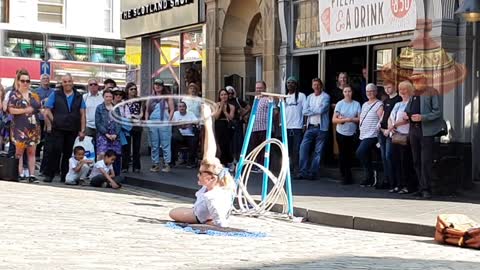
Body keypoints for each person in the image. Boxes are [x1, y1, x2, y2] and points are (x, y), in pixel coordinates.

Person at [169, 104, 234, 227]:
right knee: (208, 156)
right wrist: (207, 121)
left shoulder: (212, 196)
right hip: (204, 209)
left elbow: (222, 224)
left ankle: (205, 219)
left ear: (211, 178)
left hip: (200, 216)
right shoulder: (219, 183)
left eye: (200, 173)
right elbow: (209, 151)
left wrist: (202, 225)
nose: (198, 175)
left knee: (173, 213)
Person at [405, 74, 444, 199]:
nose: (415, 83)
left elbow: (437, 112)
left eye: (417, 81)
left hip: (426, 131)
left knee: (425, 160)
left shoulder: (432, 92)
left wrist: (423, 117)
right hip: (413, 130)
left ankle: (427, 189)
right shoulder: (413, 94)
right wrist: (406, 114)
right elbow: (408, 108)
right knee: (416, 160)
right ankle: (421, 187)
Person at [44, 73, 86, 183]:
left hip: (72, 129)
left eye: (69, 81)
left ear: (72, 82)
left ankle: (64, 176)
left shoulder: (79, 96)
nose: (67, 84)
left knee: (68, 153)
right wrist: (55, 121)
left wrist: (82, 130)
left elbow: (83, 114)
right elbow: (47, 109)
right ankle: (50, 174)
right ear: (62, 83)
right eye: (65, 82)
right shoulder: (56, 94)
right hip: (57, 129)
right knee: (55, 151)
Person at [7, 69, 41, 183]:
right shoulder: (14, 94)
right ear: (18, 81)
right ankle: (19, 173)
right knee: (19, 152)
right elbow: (11, 109)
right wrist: (25, 110)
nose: (25, 83)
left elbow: (39, 107)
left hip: (33, 127)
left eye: (27, 81)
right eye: (23, 80)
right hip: (19, 127)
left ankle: (31, 175)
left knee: (32, 152)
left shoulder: (34, 95)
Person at [297, 78, 330, 180]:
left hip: (321, 128)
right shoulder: (310, 97)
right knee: (303, 148)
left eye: (318, 85)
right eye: (314, 85)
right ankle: (303, 172)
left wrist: (311, 110)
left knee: (317, 152)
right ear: (312, 86)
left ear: (321, 86)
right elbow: (304, 111)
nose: (316, 87)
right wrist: (314, 110)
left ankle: (313, 173)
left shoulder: (326, 97)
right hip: (310, 127)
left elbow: (322, 110)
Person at [389, 80, 417, 194]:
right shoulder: (398, 104)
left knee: (406, 162)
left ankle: (408, 185)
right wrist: (391, 125)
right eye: (400, 89)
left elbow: (407, 119)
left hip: (406, 136)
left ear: (409, 90)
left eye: (404, 89)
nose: (402, 91)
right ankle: (399, 184)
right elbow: (391, 116)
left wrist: (395, 124)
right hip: (396, 135)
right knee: (396, 161)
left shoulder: (411, 103)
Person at [356, 83, 384, 187]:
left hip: (373, 134)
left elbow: (381, 119)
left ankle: (372, 174)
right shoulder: (364, 104)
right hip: (363, 134)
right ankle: (369, 178)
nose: (370, 93)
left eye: (372, 91)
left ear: (376, 92)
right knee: (366, 155)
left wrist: (378, 130)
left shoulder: (379, 104)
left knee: (360, 152)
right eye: (368, 91)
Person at [332, 85, 361, 185]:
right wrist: (344, 120)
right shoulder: (340, 104)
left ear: (352, 92)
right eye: (345, 91)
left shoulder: (356, 104)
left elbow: (360, 119)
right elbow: (334, 119)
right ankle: (344, 176)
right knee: (342, 154)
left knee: (350, 154)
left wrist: (351, 119)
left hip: (352, 132)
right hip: (341, 132)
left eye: (349, 91)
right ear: (343, 93)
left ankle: (348, 175)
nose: (347, 93)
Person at [146, 79, 174, 173]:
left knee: (166, 144)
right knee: (154, 144)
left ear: (163, 86)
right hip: (153, 123)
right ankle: (155, 164)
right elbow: (147, 110)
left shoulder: (167, 97)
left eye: (159, 85)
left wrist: (169, 121)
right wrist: (147, 121)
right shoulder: (150, 98)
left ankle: (167, 163)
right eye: (156, 84)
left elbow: (172, 109)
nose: (157, 86)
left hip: (164, 122)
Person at [377, 81, 402, 189]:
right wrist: (379, 124)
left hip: (391, 132)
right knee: (384, 157)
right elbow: (383, 114)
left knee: (389, 156)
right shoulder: (386, 100)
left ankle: (394, 181)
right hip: (382, 130)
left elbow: (396, 117)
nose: (387, 89)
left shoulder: (398, 99)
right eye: (385, 88)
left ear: (394, 87)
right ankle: (387, 180)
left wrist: (389, 129)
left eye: (389, 87)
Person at [284, 76, 306, 176]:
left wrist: (304, 124)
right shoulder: (284, 97)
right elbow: (280, 112)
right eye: (288, 83)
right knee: (286, 149)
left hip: (297, 127)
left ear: (296, 85)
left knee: (296, 149)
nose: (290, 84)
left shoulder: (301, 96)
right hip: (286, 127)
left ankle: (297, 169)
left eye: (292, 82)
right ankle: (287, 169)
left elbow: (305, 111)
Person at [248, 81, 270, 173]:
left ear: (264, 88)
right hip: (255, 127)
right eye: (257, 88)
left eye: (260, 88)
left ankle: (263, 166)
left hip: (264, 127)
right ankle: (256, 165)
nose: (258, 89)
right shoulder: (256, 99)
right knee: (255, 147)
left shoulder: (268, 99)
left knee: (263, 148)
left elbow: (275, 112)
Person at [95, 90, 121, 166]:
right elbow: (98, 123)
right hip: (103, 135)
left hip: (114, 136)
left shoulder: (116, 108)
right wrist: (106, 134)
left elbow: (119, 122)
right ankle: (100, 174)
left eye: (110, 96)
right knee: (102, 155)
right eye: (106, 96)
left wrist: (116, 134)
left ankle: (112, 174)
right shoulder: (99, 108)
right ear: (103, 97)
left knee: (114, 157)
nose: (108, 98)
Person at [227, 85, 250, 164]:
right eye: (228, 93)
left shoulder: (237, 100)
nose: (230, 95)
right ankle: (231, 159)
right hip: (227, 124)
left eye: (231, 93)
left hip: (237, 123)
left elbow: (248, 107)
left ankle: (238, 159)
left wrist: (242, 114)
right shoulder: (225, 101)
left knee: (238, 142)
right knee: (230, 143)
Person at [123, 82, 143, 173]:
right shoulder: (124, 100)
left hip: (137, 124)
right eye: (131, 89)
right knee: (126, 147)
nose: (133, 91)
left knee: (137, 147)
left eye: (135, 89)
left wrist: (138, 117)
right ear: (127, 90)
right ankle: (125, 166)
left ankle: (136, 167)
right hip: (127, 125)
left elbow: (141, 111)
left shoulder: (139, 100)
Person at [33, 74, 54, 159]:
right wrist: (43, 101)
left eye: (47, 78)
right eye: (44, 78)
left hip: (50, 118)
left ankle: (46, 155)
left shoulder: (53, 92)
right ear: (40, 80)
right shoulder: (36, 91)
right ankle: (36, 154)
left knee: (47, 137)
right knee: (38, 136)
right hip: (39, 117)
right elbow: (33, 104)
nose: (46, 80)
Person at [172, 101, 198, 168]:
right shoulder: (175, 114)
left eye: (183, 106)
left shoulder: (191, 113)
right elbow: (172, 123)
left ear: (186, 107)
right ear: (178, 108)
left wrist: (188, 124)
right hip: (179, 135)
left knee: (194, 141)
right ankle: (172, 161)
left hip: (189, 135)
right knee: (172, 139)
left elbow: (196, 121)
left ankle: (191, 162)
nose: (181, 108)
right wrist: (179, 125)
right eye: (180, 107)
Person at [213, 89, 235, 167]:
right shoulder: (216, 105)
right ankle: (223, 162)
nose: (223, 96)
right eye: (222, 95)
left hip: (227, 125)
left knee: (227, 144)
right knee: (220, 144)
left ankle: (229, 161)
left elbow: (231, 118)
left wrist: (225, 111)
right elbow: (216, 116)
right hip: (219, 125)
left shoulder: (231, 106)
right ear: (219, 96)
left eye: (225, 94)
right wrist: (220, 107)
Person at [83, 78, 104, 155]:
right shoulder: (84, 97)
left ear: (98, 86)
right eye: (91, 84)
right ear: (88, 86)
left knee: (100, 148)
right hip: (88, 126)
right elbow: (82, 112)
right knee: (89, 147)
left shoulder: (102, 97)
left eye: (95, 84)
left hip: (100, 127)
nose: (93, 86)